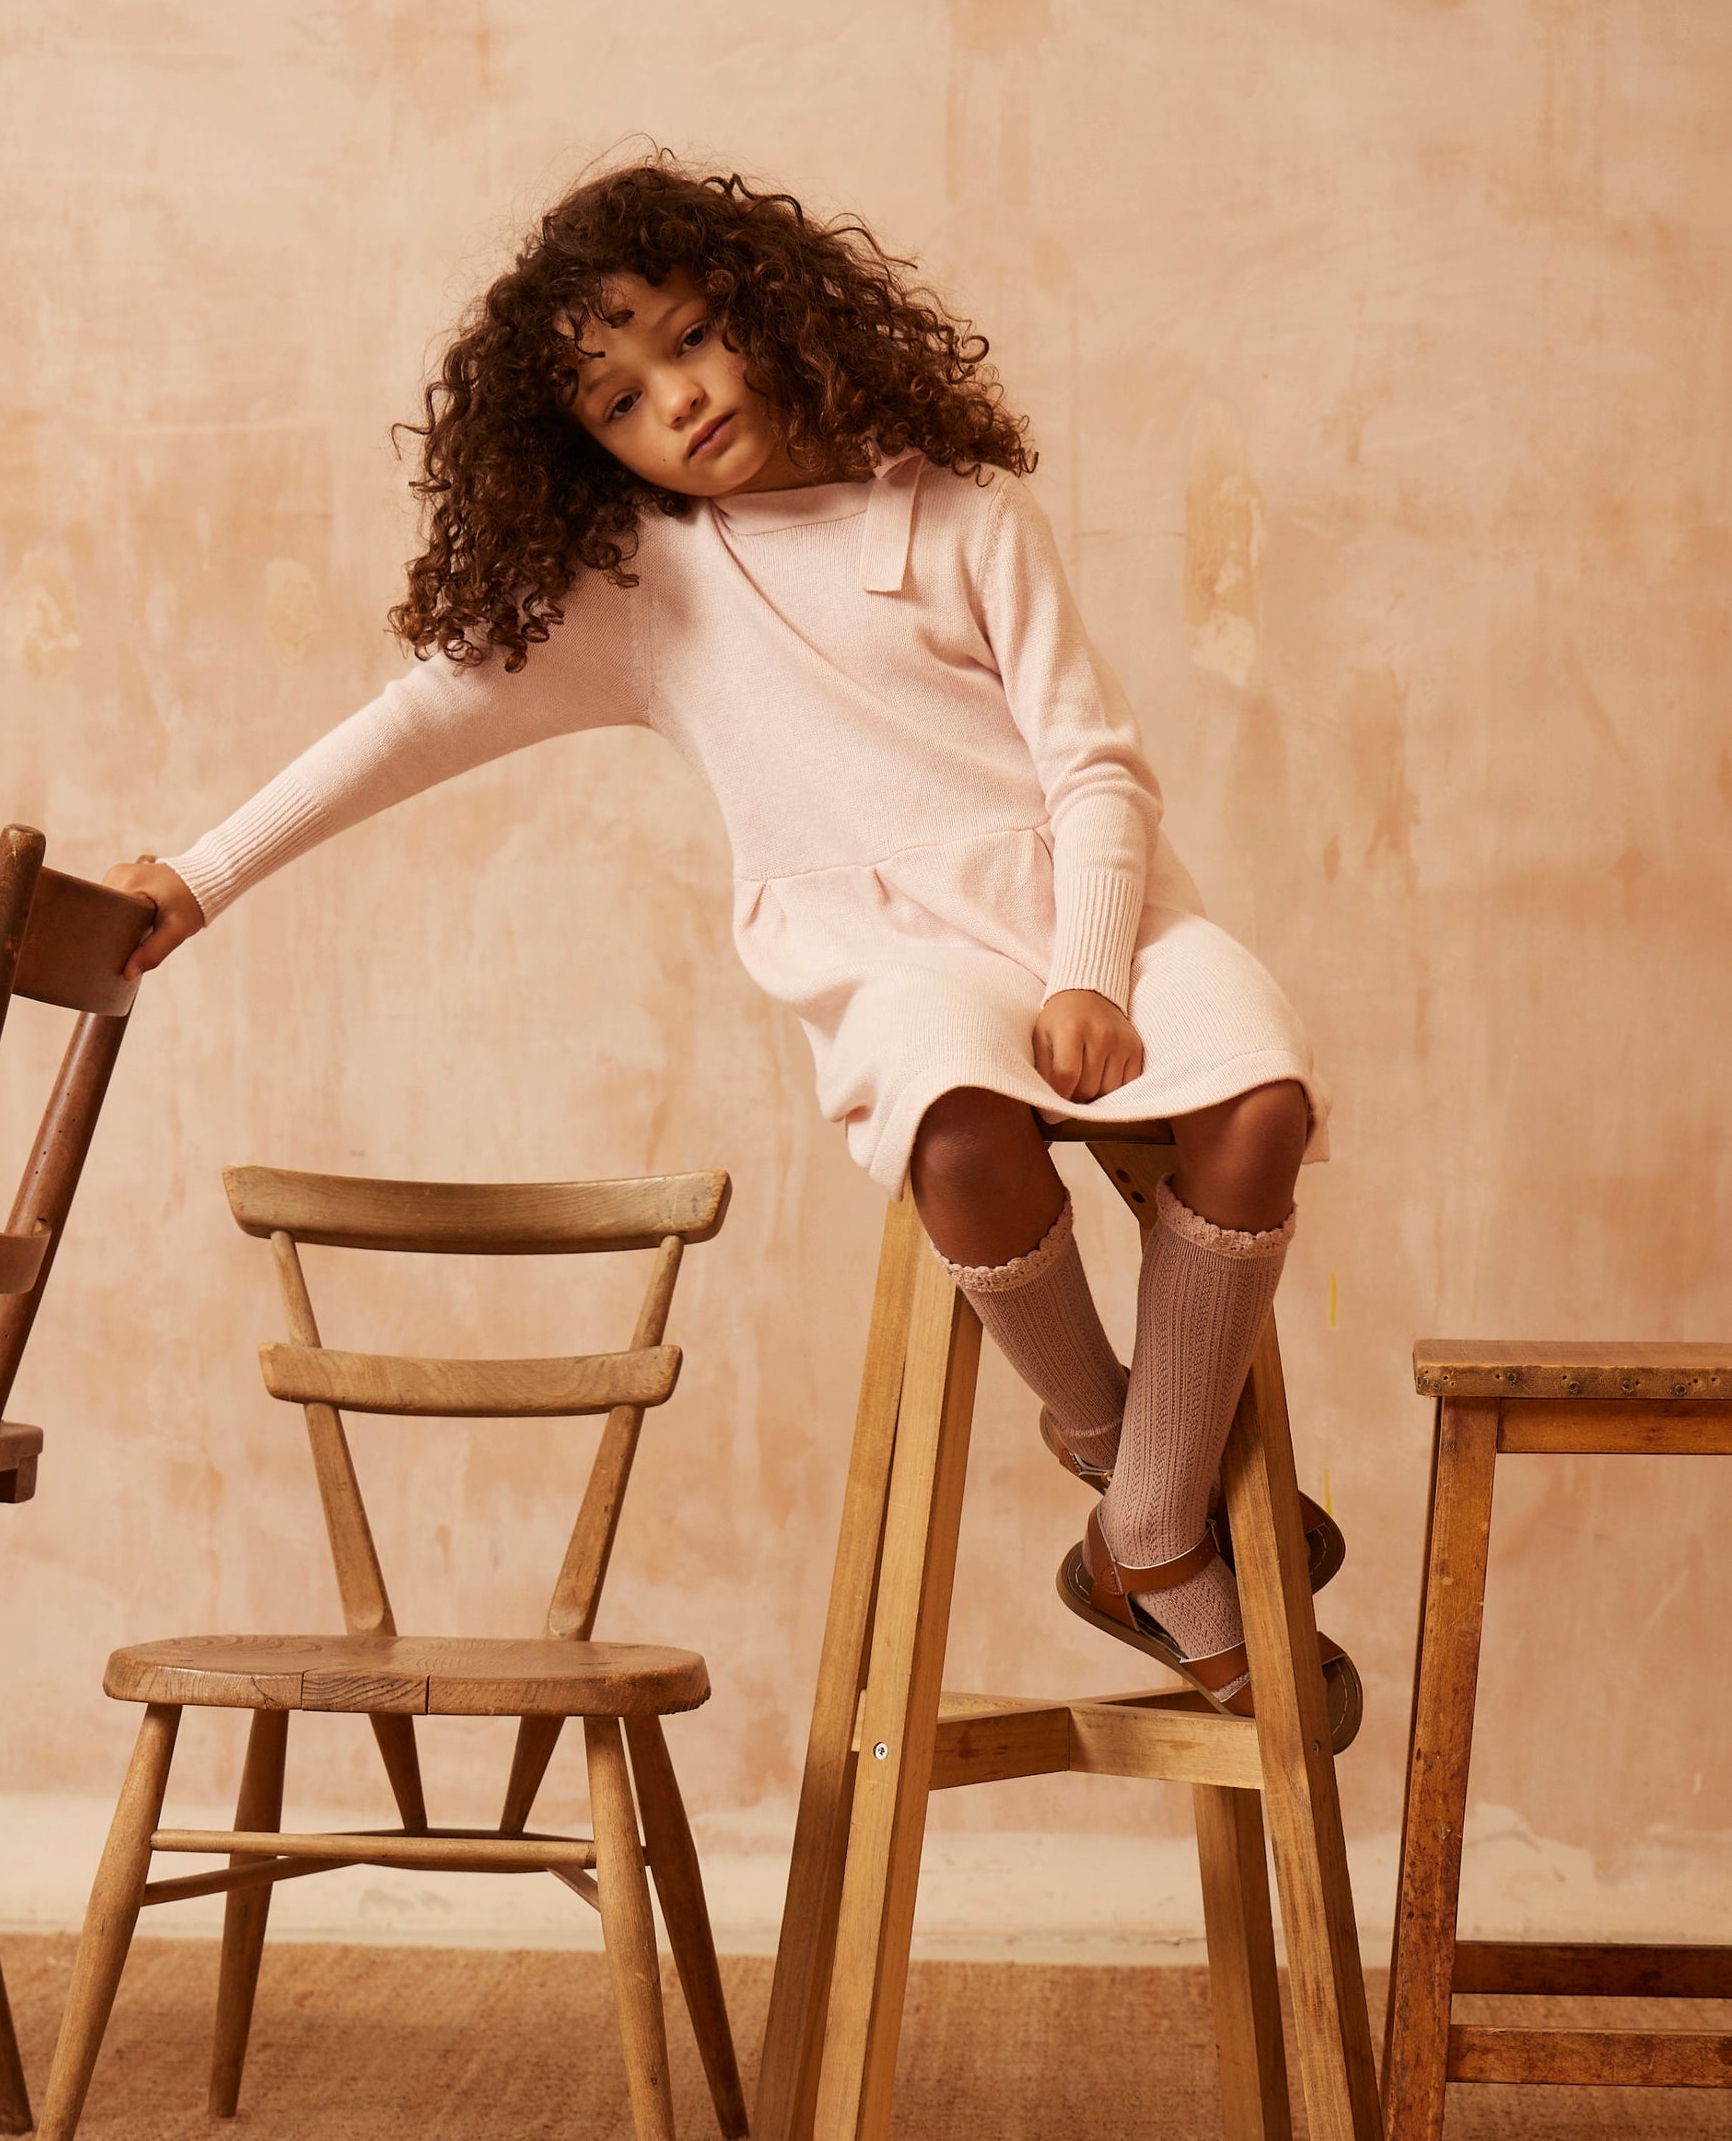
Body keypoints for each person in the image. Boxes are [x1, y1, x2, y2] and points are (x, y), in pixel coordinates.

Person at [109, 159, 1349, 1718]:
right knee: (951, 1118)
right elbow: (415, 723)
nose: (676, 401)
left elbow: (1094, 766)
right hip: (896, 958)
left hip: (1101, 912)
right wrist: (201, 878)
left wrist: (1093, 971)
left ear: (770, 307)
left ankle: (1145, 1520)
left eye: (688, 338)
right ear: (586, 449)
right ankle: (1131, 1470)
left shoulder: (959, 510)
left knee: (1259, 1095)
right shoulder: (648, 588)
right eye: (619, 401)